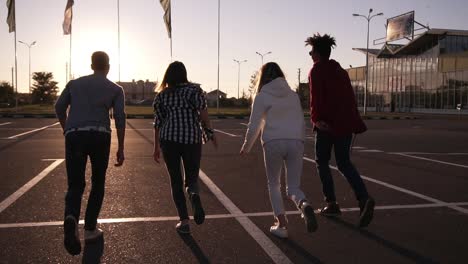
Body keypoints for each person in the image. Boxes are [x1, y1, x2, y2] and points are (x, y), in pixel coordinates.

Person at [55, 51, 126, 255]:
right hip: (99, 135)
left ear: (91, 65)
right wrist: (121, 147)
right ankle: (90, 229)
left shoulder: (74, 84)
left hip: (75, 134)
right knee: (98, 182)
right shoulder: (115, 89)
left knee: (75, 184)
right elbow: (119, 118)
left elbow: (59, 107)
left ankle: (71, 217)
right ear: (108, 66)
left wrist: (66, 127)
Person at [240, 62, 317, 239]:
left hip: (273, 141)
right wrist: (300, 140)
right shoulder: (293, 95)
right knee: (293, 187)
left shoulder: (262, 96)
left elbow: (254, 125)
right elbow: (299, 120)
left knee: (274, 184)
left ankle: (281, 224)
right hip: (296, 141)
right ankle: (304, 204)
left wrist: (246, 146)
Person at [305, 33, 375, 227]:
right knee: (344, 163)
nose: (310, 55)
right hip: (345, 125)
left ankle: (332, 203)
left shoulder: (316, 70)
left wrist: (316, 119)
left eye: (312, 52)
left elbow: (315, 98)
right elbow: (349, 99)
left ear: (318, 53)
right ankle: (363, 198)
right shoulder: (340, 71)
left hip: (327, 124)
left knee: (322, 162)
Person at [153, 61, 217, 234]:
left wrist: (156, 147)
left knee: (175, 181)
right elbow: (204, 116)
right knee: (191, 179)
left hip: (169, 140)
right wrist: (210, 134)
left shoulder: (162, 96)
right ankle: (193, 195)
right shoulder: (195, 91)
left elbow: (158, 123)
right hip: (191, 139)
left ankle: (184, 222)